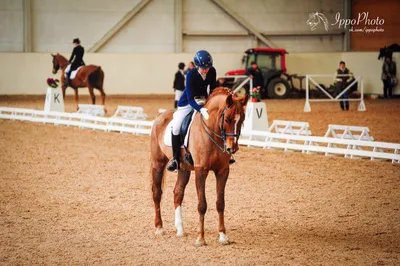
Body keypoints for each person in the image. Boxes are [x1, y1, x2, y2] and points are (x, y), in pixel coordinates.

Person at [166, 50, 216, 172]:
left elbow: (213, 89)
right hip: (188, 103)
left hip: (204, 100)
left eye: (207, 68)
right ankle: (175, 159)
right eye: (203, 68)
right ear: (197, 66)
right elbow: (190, 98)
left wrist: (211, 102)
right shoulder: (190, 75)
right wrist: (200, 109)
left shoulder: (212, 71)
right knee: (177, 127)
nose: (205, 70)